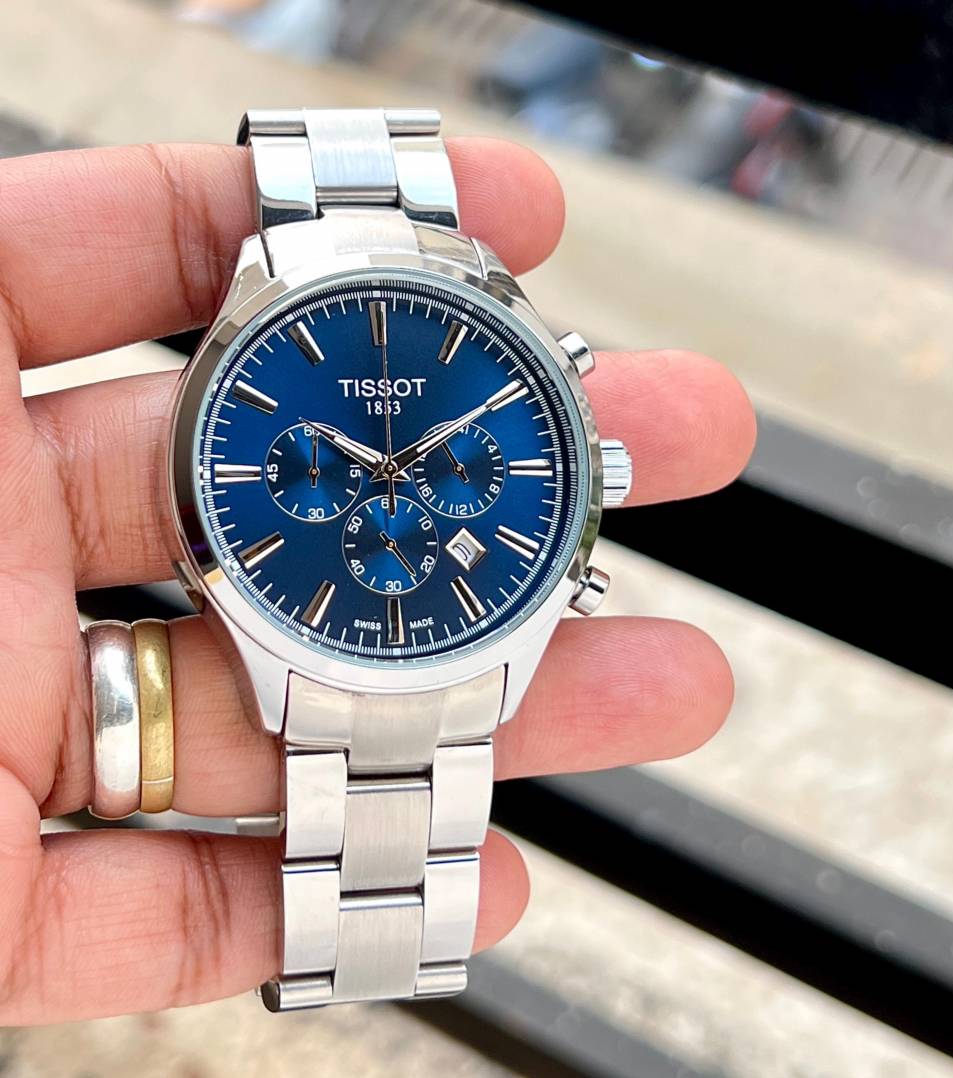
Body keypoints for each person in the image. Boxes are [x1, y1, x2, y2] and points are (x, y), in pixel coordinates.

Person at [0, 135, 755, 1022]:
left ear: (595, 473)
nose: (391, 472)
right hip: (305, 631)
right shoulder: (271, 303)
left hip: (418, 629)